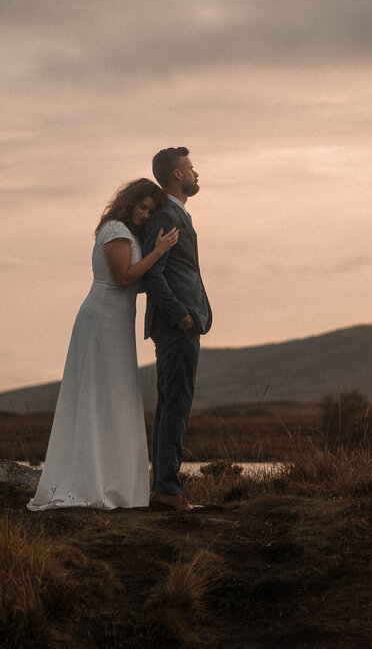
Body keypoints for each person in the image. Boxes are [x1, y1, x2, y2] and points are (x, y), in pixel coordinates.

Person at [27, 178, 179, 510]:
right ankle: (92, 483)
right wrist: (158, 251)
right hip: (101, 321)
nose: (144, 214)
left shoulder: (126, 233)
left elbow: (132, 281)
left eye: (150, 211)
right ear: (129, 202)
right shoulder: (116, 231)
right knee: (99, 397)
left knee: (113, 397)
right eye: (142, 207)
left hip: (115, 321)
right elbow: (123, 276)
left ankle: (111, 480)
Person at [141, 147, 212, 512]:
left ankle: (164, 486)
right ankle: (168, 488)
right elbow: (153, 273)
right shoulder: (166, 215)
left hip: (180, 323)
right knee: (176, 404)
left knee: (171, 402)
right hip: (176, 325)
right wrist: (181, 315)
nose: (196, 172)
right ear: (176, 174)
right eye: (190, 167)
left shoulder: (177, 214)